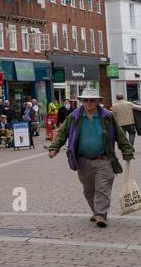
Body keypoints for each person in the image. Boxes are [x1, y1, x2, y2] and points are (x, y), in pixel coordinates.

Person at [48, 87, 134, 228]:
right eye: (85, 100)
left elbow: (119, 135)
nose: (88, 103)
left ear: (98, 102)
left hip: (104, 159)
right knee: (89, 191)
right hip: (83, 160)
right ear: (81, 101)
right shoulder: (74, 117)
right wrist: (54, 148)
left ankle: (101, 214)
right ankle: (96, 211)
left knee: (103, 188)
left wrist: (127, 151)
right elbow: (62, 133)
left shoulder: (107, 116)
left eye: (91, 100)